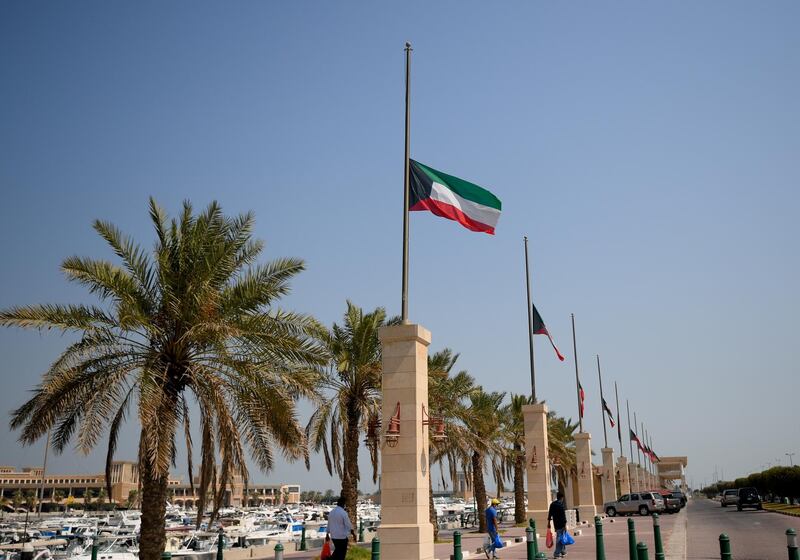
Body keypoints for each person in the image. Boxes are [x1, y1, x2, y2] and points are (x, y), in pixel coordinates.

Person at [327, 496, 355, 560]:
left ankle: (330, 558)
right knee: (341, 554)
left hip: (333, 536)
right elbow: (348, 525)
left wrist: (327, 534)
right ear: (343, 504)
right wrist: (353, 534)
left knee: (338, 551)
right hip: (342, 537)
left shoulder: (331, 512)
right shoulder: (343, 513)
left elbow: (329, 524)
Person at [548, 492, 568, 559]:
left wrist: (548, 523)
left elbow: (550, 514)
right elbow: (563, 516)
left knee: (562, 537)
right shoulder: (561, 505)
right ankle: (556, 553)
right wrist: (565, 525)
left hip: (555, 523)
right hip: (561, 524)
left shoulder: (552, 504)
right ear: (562, 498)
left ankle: (563, 551)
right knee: (559, 538)